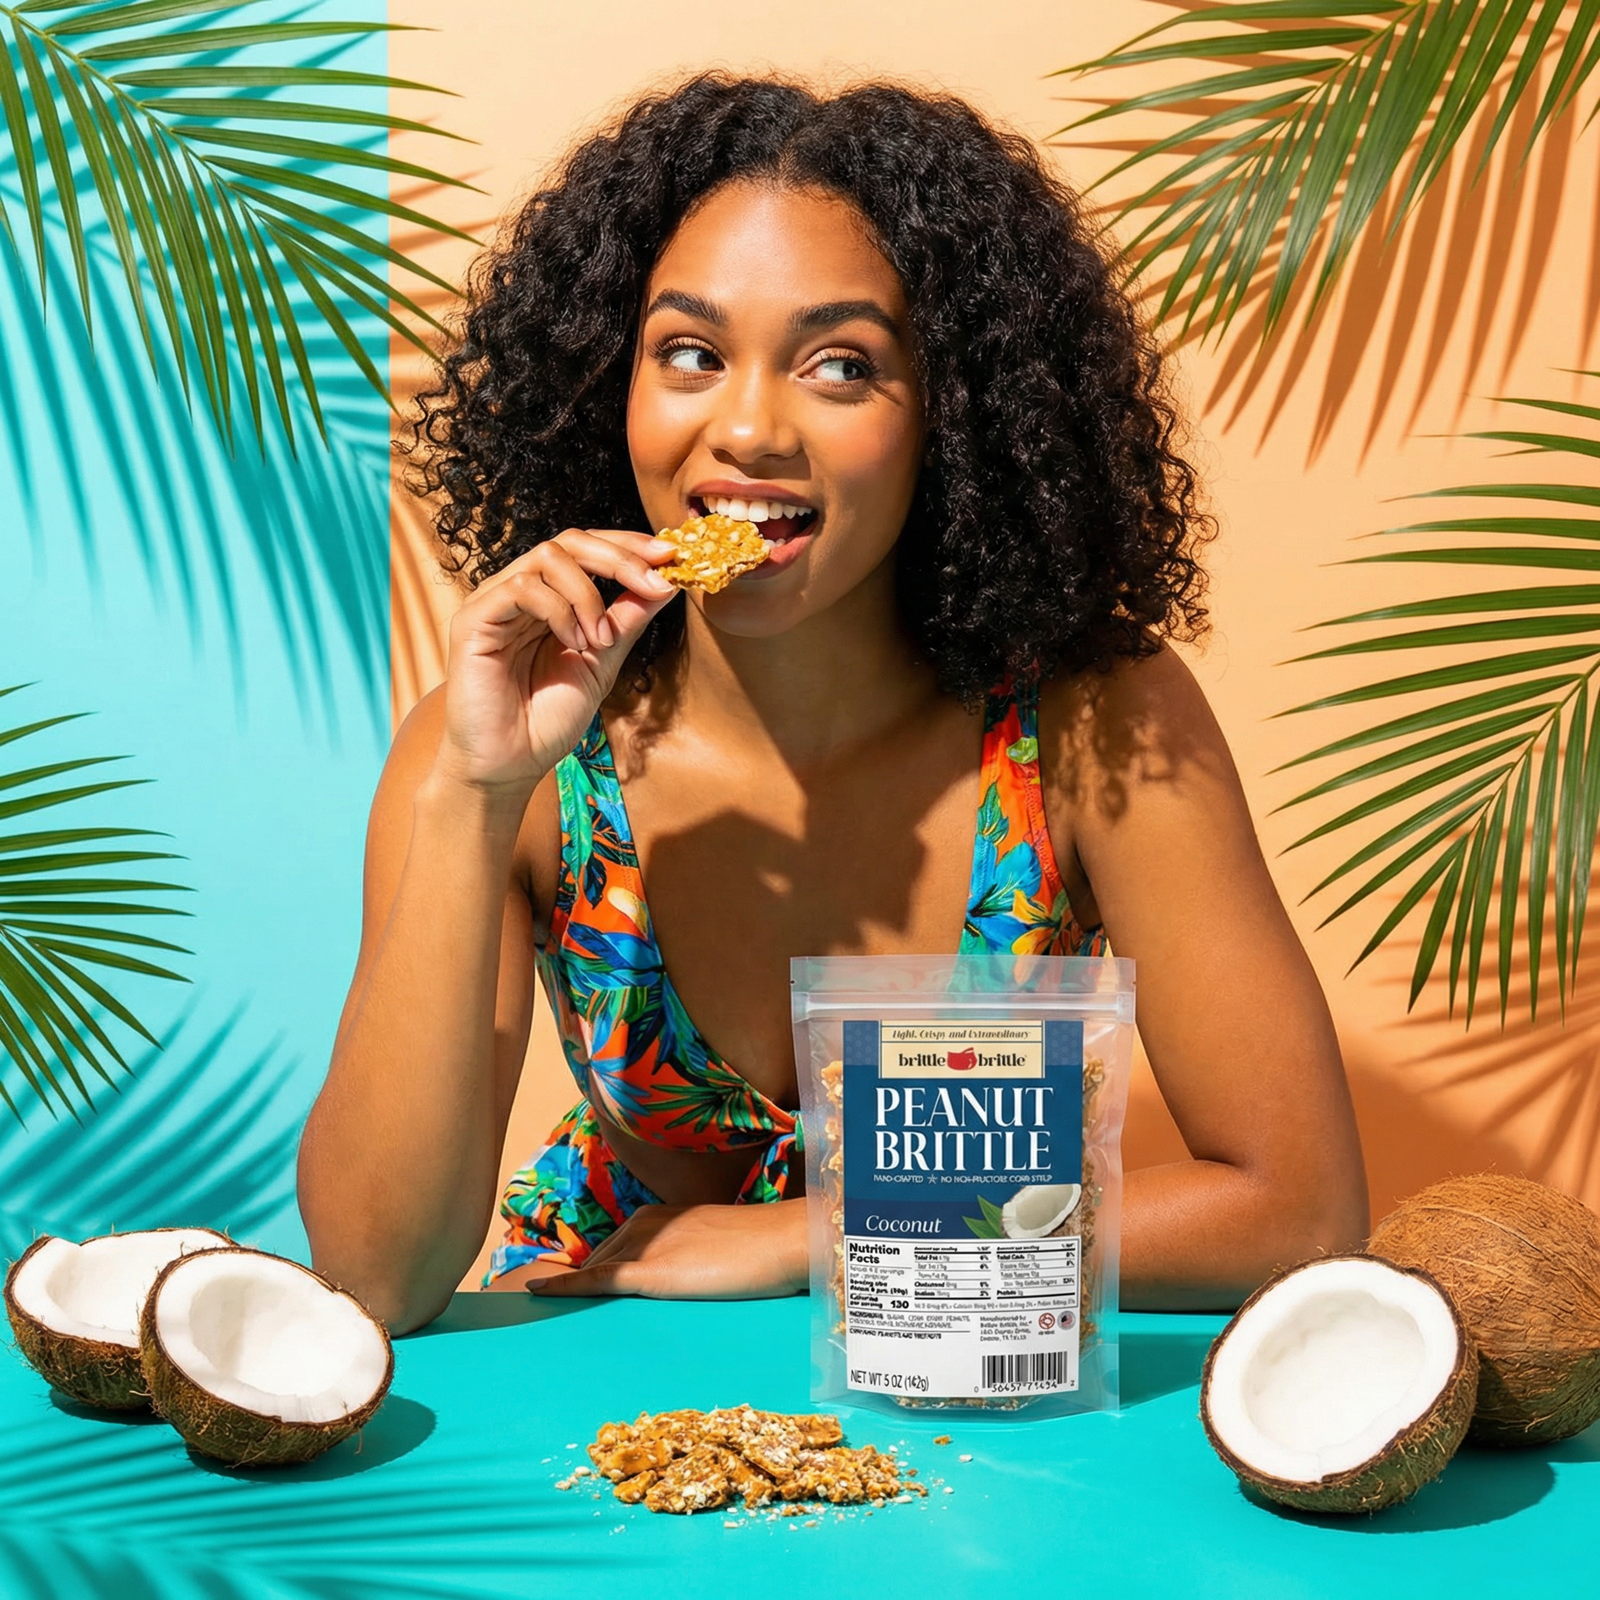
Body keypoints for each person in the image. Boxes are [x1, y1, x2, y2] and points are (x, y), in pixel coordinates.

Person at [297, 75, 1368, 1335]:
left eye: (841, 366)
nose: (746, 426)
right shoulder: (513, 747)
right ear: (608, 390)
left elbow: (1296, 1211)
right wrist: (476, 796)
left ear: (953, 420)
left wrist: (809, 1234)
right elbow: (370, 1278)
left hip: (973, 1363)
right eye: (688, 353)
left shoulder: (1092, 726)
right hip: (602, 1343)